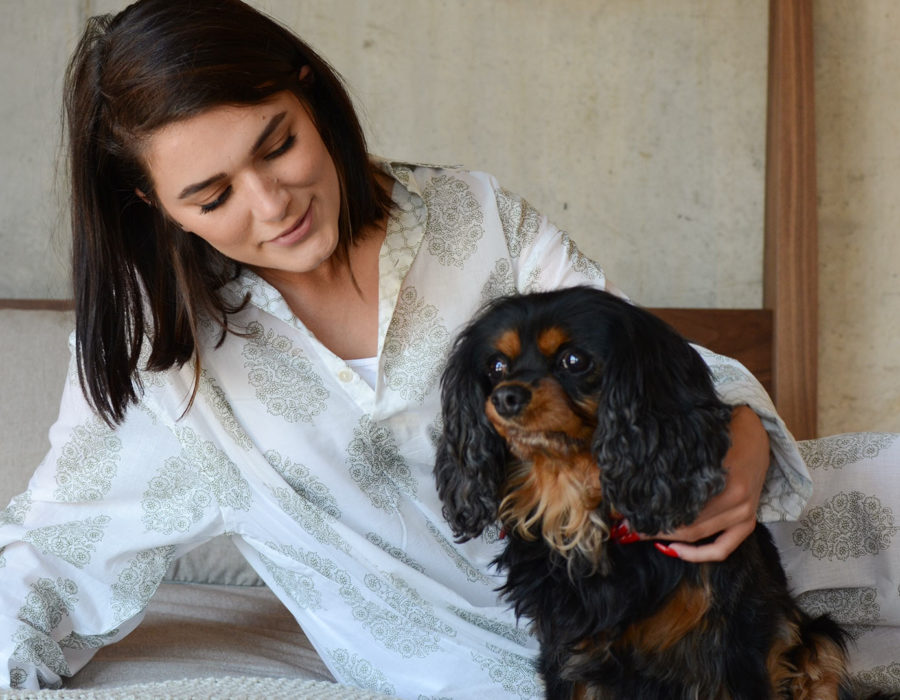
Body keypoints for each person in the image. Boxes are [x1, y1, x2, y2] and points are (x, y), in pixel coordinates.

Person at [0, 0, 810, 695]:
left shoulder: (474, 214)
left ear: (308, 90)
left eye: (277, 144)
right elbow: (57, 549)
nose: (272, 204)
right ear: (153, 203)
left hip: (662, 570)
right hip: (468, 661)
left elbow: (643, 358)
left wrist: (744, 435)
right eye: (212, 197)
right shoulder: (155, 349)